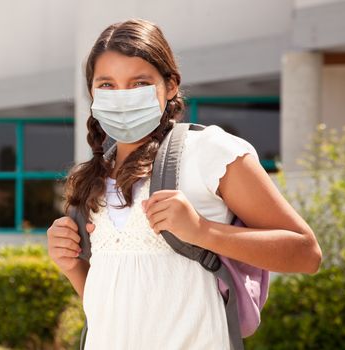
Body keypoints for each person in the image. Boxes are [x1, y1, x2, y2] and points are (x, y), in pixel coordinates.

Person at [46, 18, 322, 349]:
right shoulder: (91, 177)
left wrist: (202, 230)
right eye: (107, 85)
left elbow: (307, 254)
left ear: (171, 85)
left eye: (139, 84)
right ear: (91, 91)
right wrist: (72, 266)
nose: (122, 97)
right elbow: (110, 302)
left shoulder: (210, 152)